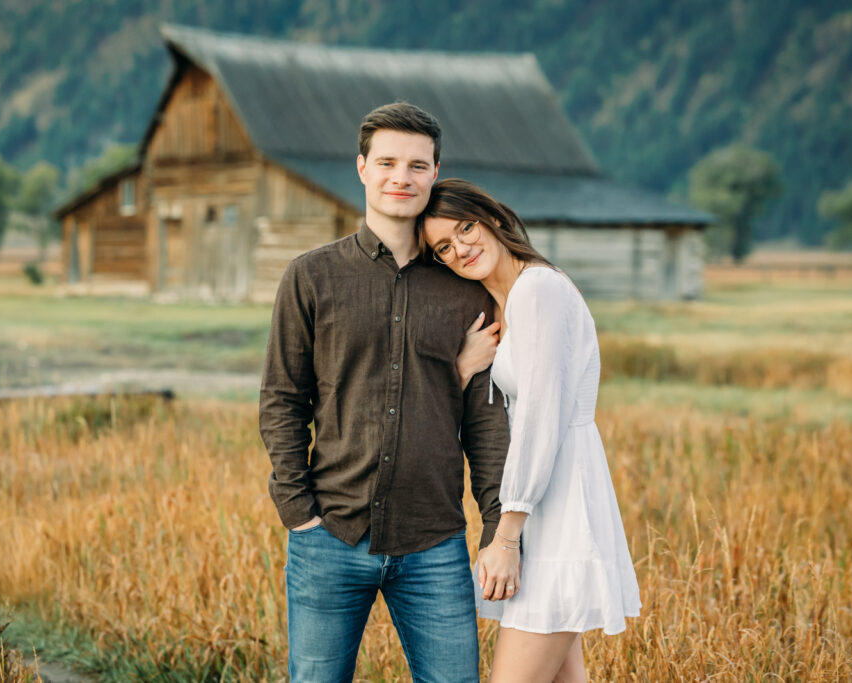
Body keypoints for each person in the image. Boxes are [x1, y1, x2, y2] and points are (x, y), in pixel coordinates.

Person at [259, 104, 510, 682]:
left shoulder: (463, 289)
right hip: (329, 537)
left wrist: (496, 529)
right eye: (389, 162)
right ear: (363, 169)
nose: (402, 176)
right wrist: (298, 512)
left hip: (434, 543)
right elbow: (282, 399)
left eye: (417, 165)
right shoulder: (312, 276)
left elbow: (487, 423)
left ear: (435, 173)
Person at [420, 178, 642, 683]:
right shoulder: (510, 301)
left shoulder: (539, 290)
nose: (462, 248)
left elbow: (542, 418)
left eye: (467, 227)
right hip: (543, 506)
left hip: (557, 505)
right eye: (445, 248)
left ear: (493, 218)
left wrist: (506, 537)